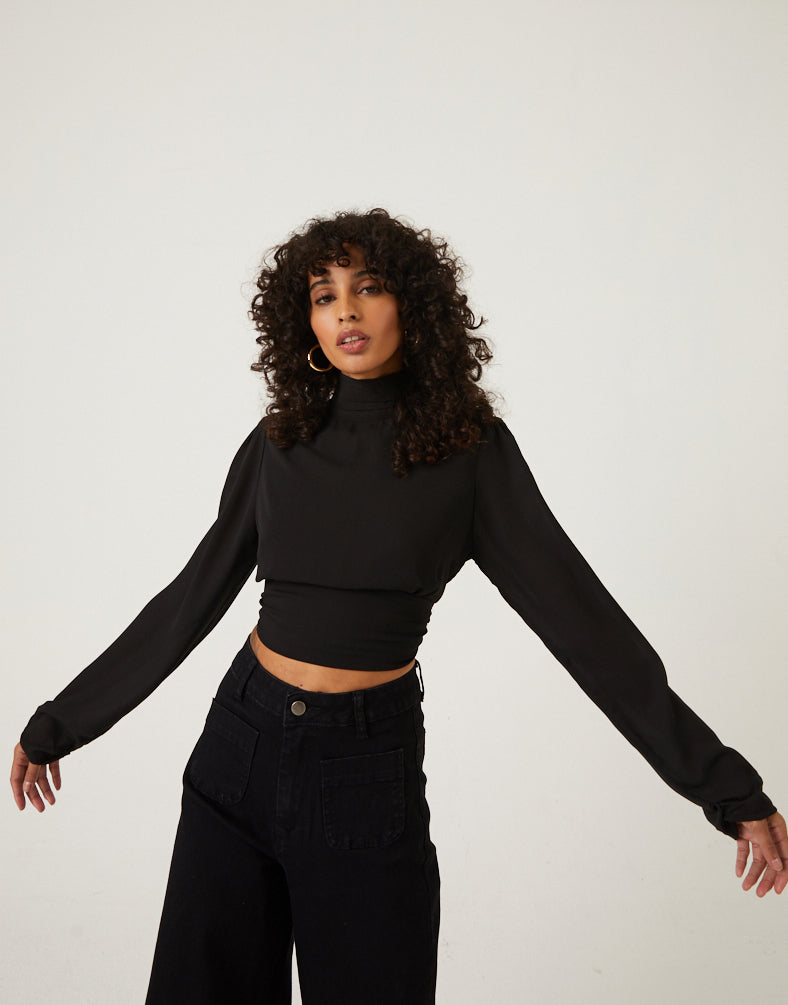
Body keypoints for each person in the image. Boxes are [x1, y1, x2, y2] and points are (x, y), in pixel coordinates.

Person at [11, 207, 786, 1004]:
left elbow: (584, 626)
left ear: (412, 303)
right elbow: (191, 596)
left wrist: (725, 786)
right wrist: (64, 719)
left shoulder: (470, 453)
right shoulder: (280, 440)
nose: (345, 310)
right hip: (238, 750)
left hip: (363, 769)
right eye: (324, 295)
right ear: (305, 323)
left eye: (369, 287)